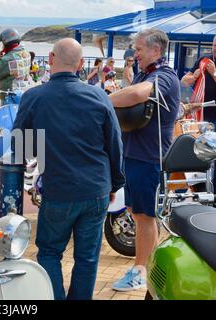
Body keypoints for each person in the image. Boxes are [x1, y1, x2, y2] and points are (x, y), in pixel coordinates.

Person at [12, 38, 125, 300]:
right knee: (87, 257)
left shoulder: (33, 97)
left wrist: (44, 147)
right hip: (96, 188)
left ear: (50, 59)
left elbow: (21, 147)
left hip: (59, 188)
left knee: (50, 252)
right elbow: (115, 144)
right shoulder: (99, 96)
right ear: (81, 63)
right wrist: (115, 184)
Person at [109, 28, 180, 292]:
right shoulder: (146, 72)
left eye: (139, 49)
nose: (134, 54)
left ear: (155, 50)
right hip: (135, 155)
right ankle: (148, 264)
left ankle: (140, 271)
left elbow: (138, 94)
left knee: (144, 216)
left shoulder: (164, 76)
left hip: (150, 158)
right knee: (138, 214)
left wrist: (101, 100)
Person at [181, 35, 216, 123]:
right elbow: (184, 81)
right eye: (214, 45)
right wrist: (194, 77)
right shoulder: (204, 60)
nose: (215, 49)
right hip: (198, 113)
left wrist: (214, 73)